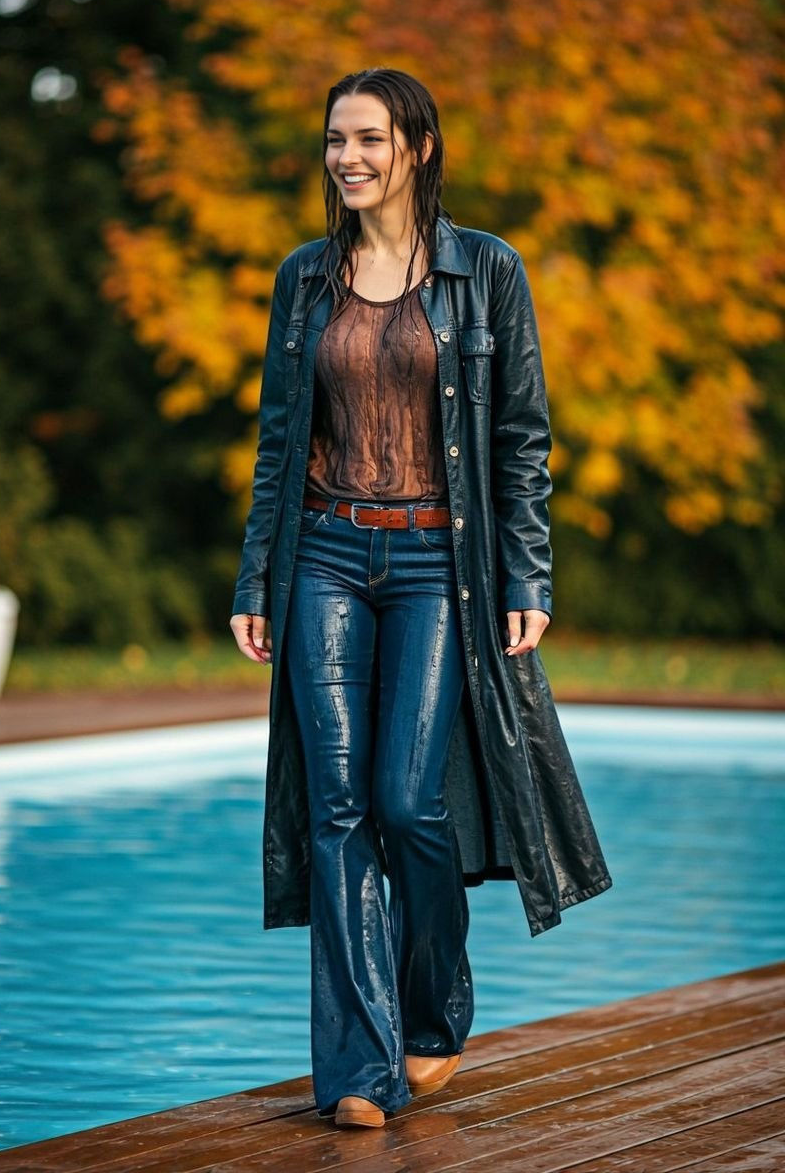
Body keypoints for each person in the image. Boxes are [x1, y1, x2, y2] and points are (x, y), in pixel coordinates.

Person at [230, 68, 612, 1129]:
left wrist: (525, 572)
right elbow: (278, 442)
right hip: (326, 558)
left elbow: (521, 438)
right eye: (334, 140)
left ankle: (434, 1007)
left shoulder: (485, 271)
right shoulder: (303, 280)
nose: (346, 157)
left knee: (409, 802)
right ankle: (359, 1064)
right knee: (339, 809)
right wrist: (258, 571)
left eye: (367, 138)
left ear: (418, 146)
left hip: (443, 564)